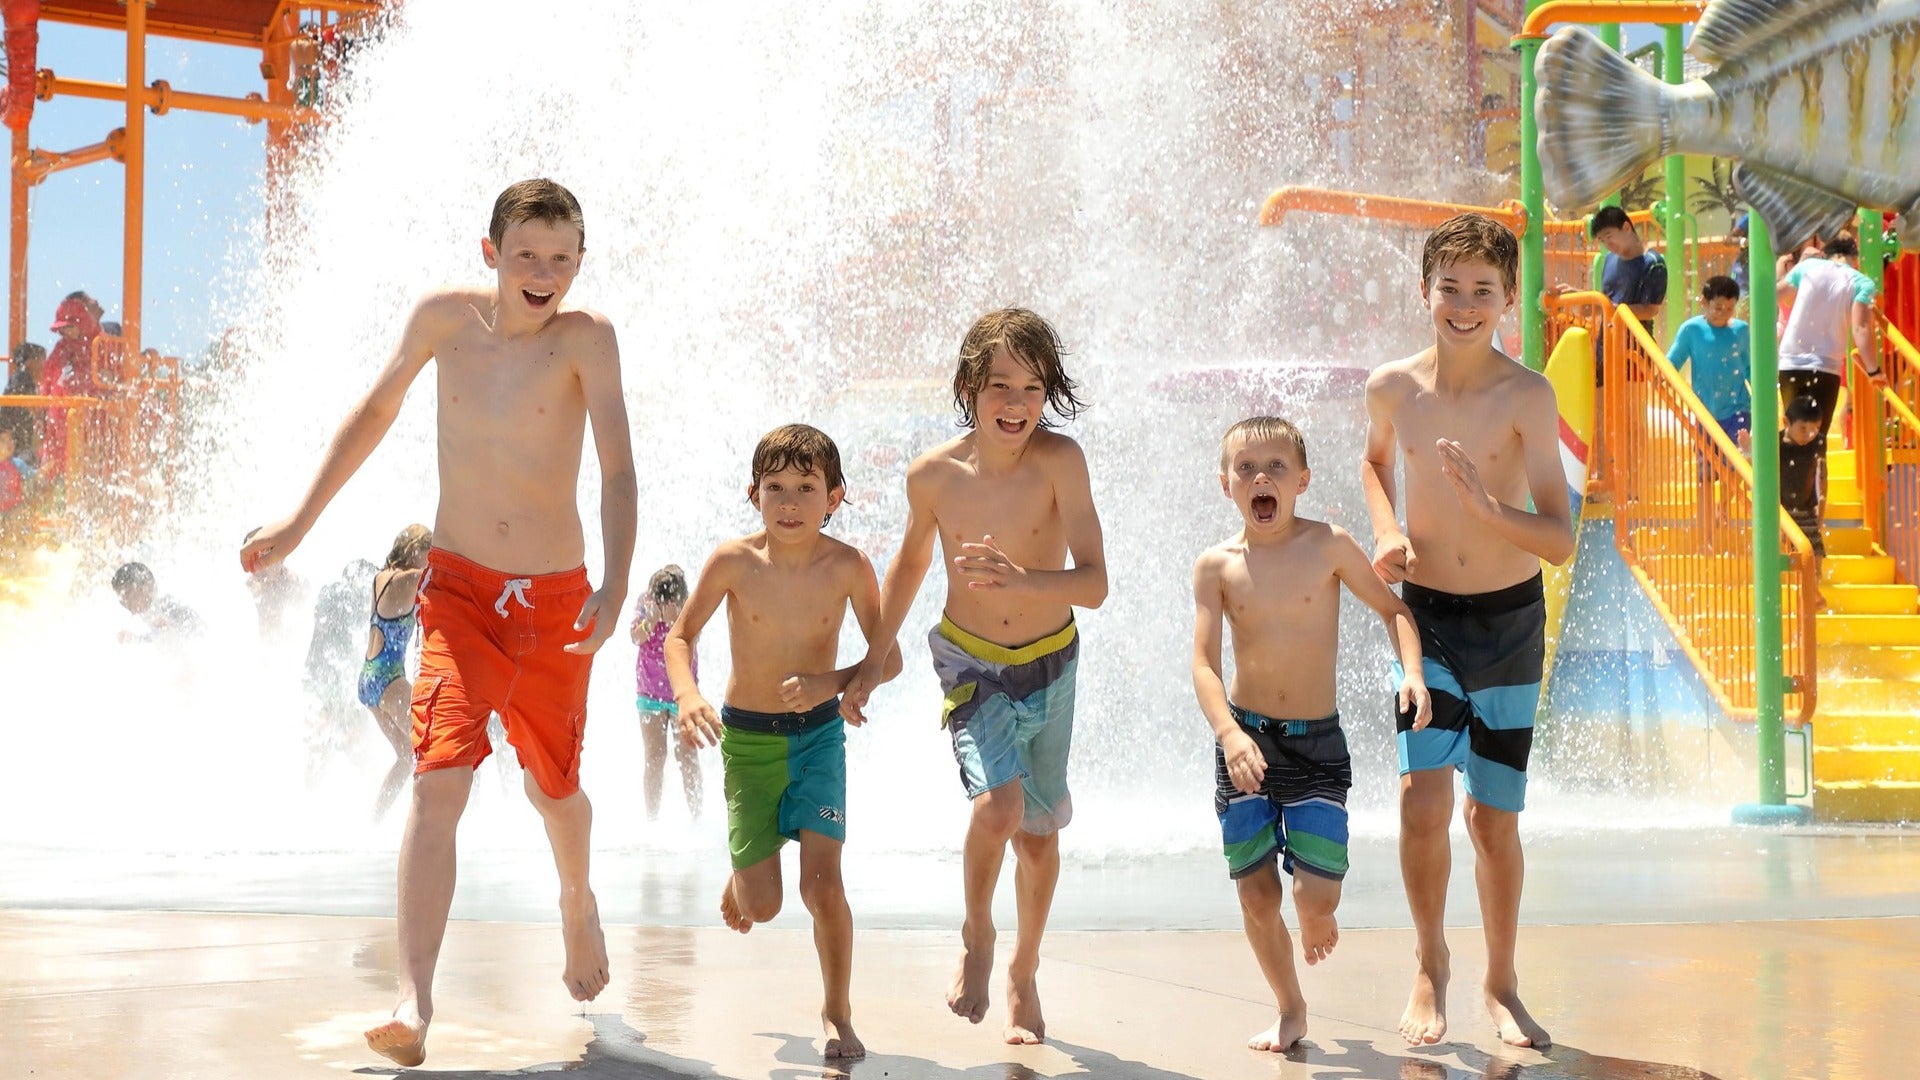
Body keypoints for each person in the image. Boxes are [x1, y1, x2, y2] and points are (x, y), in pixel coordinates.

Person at [237, 178, 637, 1069]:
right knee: (437, 779)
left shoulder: (587, 340)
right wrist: (300, 523)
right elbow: (375, 413)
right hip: (457, 593)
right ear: (490, 252)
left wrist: (615, 582)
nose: (543, 273)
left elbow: (616, 469)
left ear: (579, 262)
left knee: (555, 790)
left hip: (553, 602)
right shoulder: (443, 321)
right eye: (526, 255)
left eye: (561, 258)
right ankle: (414, 998)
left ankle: (577, 898)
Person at [843, 307, 1108, 1046]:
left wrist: (1025, 580)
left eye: (1031, 386)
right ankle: (978, 933)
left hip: (1051, 666)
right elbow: (909, 567)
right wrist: (872, 660)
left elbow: (1095, 585)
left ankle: (1025, 967)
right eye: (999, 385)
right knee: (998, 808)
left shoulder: (1061, 462)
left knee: (1037, 838)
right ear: (968, 386)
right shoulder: (934, 476)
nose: (1016, 403)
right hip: (968, 663)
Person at [1361, 213, 1574, 1050]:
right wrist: (1385, 530)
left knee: (1492, 820)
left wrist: (1492, 510)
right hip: (1427, 622)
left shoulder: (1526, 395)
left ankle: (1501, 980)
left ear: (1508, 300)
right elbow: (1376, 463)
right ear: (1425, 292)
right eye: (1450, 288)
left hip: (1511, 623)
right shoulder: (1391, 389)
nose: (1464, 304)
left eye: (1483, 290)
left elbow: (1558, 538)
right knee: (1422, 800)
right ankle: (1428, 964)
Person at [1192, 415, 1431, 1053]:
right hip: (1245, 742)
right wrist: (1228, 734)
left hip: (1316, 744)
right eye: (1245, 469)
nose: (1260, 478)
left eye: (1274, 468)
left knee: (1315, 900)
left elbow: (1394, 609)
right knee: (1257, 894)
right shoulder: (1216, 565)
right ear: (1226, 485)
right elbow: (1203, 665)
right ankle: (1289, 1006)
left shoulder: (1329, 545)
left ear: (1302, 481)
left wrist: (1412, 674)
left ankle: (1318, 908)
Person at [663, 424, 901, 1062]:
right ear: (753, 494)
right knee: (762, 907)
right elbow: (679, 638)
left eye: (806, 487)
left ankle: (836, 1012)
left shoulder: (848, 566)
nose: (790, 502)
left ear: (835, 497)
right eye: (776, 488)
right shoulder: (734, 561)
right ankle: (742, 878)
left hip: (819, 738)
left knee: (822, 887)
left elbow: (889, 658)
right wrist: (688, 697)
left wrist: (836, 681)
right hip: (749, 743)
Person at [1778, 235, 1885, 449]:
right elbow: (1861, 328)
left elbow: (1780, 295)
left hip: (1790, 363)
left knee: (1793, 434)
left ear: (1826, 255)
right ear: (1855, 258)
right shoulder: (1861, 282)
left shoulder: (1808, 267)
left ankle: (1788, 481)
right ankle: (1815, 481)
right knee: (1816, 438)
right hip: (1826, 367)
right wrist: (1874, 371)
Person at [360, 525, 433, 819]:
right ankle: (425, 822)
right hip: (389, 679)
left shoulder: (380, 578)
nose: (431, 561)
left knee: (406, 756)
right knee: (430, 749)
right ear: (416, 551)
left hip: (367, 679)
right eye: (429, 553)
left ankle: (374, 822)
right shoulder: (413, 578)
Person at [631, 563, 702, 820]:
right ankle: (652, 820)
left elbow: (694, 639)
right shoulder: (646, 603)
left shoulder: (689, 607)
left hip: (682, 695)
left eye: (667, 601)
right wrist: (650, 621)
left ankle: (697, 818)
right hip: (649, 694)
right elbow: (635, 637)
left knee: (687, 755)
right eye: (657, 600)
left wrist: (677, 620)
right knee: (655, 757)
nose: (661, 605)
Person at [1666, 275, 1753, 452]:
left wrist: (1762, 397)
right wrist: (1662, 375)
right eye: (1718, 307)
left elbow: (1750, 368)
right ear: (1705, 302)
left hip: (1739, 410)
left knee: (1735, 463)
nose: (1723, 313)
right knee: (1705, 470)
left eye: (1730, 309)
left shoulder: (1741, 330)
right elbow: (1673, 361)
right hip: (1705, 413)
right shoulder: (1692, 330)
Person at [306, 558, 379, 734]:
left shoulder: (330, 595)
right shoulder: (339, 597)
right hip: (325, 679)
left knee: (324, 736)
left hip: (320, 677)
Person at [42, 295, 102, 481]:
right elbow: (48, 380)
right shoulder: (61, 349)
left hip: (90, 422)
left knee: (85, 467)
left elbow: (106, 381)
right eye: (62, 328)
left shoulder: (99, 345)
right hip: (59, 420)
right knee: (56, 466)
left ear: (82, 323)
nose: (65, 332)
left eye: (69, 326)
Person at [1779, 395, 1828, 603]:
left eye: (1815, 429)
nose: (1809, 435)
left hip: (1807, 507)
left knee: (1816, 554)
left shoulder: (1817, 442)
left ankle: (1811, 592)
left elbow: (1823, 473)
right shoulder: (1777, 443)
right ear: (1786, 422)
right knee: (1796, 552)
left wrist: (1822, 506)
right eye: (1803, 429)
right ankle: (1804, 595)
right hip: (1782, 509)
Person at [111, 561, 204, 640]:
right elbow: (158, 638)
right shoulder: (149, 609)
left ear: (144, 587)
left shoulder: (167, 603)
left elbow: (198, 632)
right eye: (120, 598)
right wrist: (136, 639)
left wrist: (171, 631)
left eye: (127, 594)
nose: (124, 602)